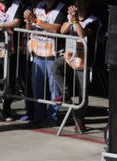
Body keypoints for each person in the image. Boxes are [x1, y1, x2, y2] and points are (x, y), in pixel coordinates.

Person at [51, 0, 98, 132]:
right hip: (70, 57)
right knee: (55, 67)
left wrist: (76, 21)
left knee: (83, 92)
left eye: (82, 2)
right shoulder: (71, 18)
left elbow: (82, 33)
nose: (78, 5)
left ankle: (80, 121)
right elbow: (62, 30)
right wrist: (71, 20)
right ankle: (66, 94)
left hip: (84, 61)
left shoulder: (93, 20)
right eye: (76, 2)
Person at [22, 0, 67, 125]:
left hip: (53, 55)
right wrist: (29, 21)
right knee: (37, 87)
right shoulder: (37, 6)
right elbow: (29, 29)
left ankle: (52, 117)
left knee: (54, 89)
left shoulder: (62, 8)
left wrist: (36, 20)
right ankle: (39, 115)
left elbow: (55, 29)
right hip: (38, 53)